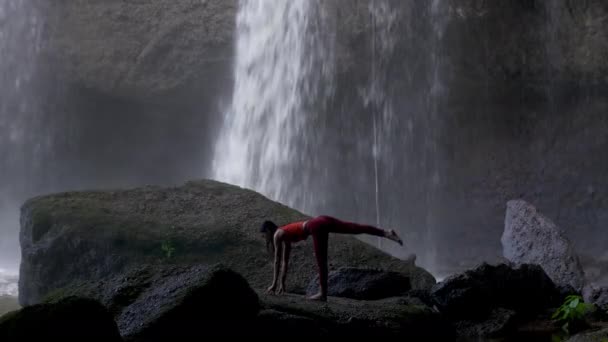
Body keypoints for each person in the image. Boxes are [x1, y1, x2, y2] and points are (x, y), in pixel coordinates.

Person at [260, 215, 403, 302]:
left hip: (316, 227)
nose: (264, 238)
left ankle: (323, 294)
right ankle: (386, 232)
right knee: (354, 228)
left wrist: (273, 284)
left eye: (263, 234)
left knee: (321, 261)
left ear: (267, 230)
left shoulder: (277, 235)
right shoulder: (285, 234)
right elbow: (285, 261)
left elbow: (278, 261)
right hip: (321, 220)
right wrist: (282, 284)